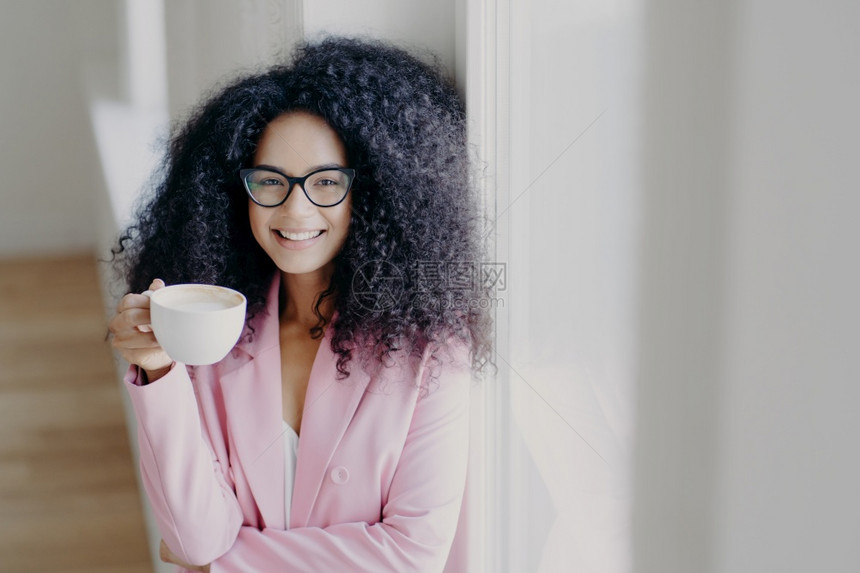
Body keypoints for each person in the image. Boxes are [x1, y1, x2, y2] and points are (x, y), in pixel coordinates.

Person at [108, 36, 493, 572]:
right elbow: (196, 538)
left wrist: (224, 566)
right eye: (270, 181)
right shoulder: (211, 333)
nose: (295, 208)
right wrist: (158, 370)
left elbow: (410, 556)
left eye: (327, 182)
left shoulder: (431, 350)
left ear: (374, 193)